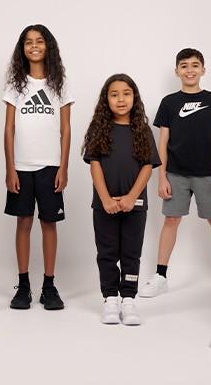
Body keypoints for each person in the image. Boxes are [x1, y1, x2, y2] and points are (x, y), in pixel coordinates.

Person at [140, 48, 211, 299]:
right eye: (184, 65)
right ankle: (160, 276)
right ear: (176, 71)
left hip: (208, 174)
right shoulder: (169, 103)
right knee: (171, 221)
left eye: (195, 65)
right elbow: (163, 142)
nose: (189, 70)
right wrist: (161, 177)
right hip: (176, 174)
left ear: (203, 70)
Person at [2, 24, 74, 311]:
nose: (34, 46)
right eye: (28, 42)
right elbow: (8, 130)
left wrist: (63, 167)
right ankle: (23, 285)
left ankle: (49, 285)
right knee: (23, 222)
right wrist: (10, 168)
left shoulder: (60, 83)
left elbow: (66, 130)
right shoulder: (14, 85)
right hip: (21, 166)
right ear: (23, 48)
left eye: (39, 41)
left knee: (49, 223)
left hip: (50, 166)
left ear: (48, 47)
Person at [82, 74, 160, 325]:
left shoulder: (142, 130)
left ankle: (128, 299)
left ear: (134, 97)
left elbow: (148, 166)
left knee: (131, 253)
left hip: (134, 205)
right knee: (106, 252)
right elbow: (94, 165)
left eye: (126, 93)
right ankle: (110, 299)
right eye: (114, 94)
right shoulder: (98, 129)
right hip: (104, 205)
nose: (120, 99)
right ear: (106, 100)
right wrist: (105, 198)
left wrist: (130, 197)